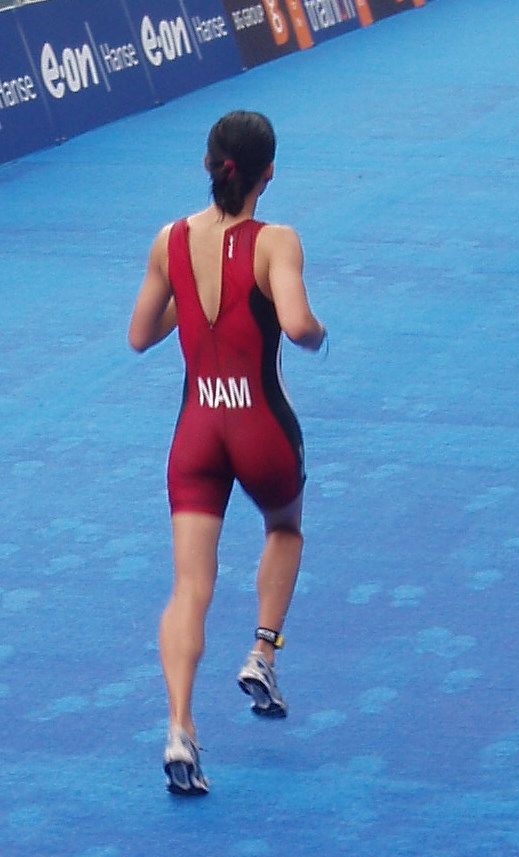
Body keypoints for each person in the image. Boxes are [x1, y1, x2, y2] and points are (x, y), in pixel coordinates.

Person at [128, 111, 326, 796]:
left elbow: (139, 334)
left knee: (189, 588)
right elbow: (296, 325)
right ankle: (263, 651)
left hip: (197, 433)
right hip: (259, 428)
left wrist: (189, 299)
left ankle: (179, 727)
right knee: (285, 528)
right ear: (268, 173)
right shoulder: (277, 242)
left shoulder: (171, 240)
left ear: (209, 165)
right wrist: (319, 332)